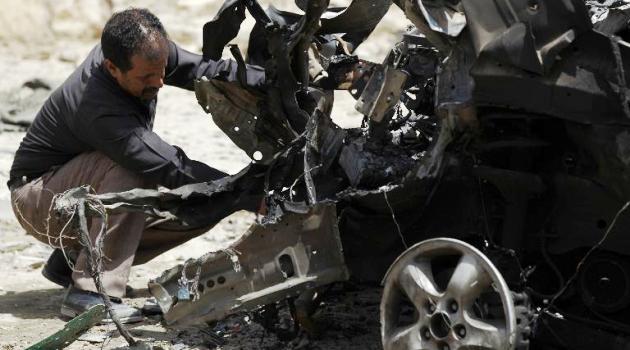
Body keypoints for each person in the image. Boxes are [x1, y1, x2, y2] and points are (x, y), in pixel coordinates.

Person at [7, 8, 265, 323]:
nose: (160, 82)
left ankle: (70, 259)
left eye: (162, 70)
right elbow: (169, 166)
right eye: (146, 78)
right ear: (112, 68)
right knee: (138, 171)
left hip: (72, 188)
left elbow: (205, 70)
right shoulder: (99, 108)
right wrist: (250, 192)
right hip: (36, 199)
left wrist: (266, 80)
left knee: (205, 204)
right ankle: (88, 294)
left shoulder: (143, 52)